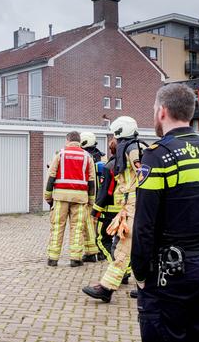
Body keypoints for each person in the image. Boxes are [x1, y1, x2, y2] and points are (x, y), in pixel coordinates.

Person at [132, 83, 199, 342]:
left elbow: (144, 226)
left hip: (169, 273)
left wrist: (140, 274)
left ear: (162, 111)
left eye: (154, 109)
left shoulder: (158, 156)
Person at [82, 116, 141, 302]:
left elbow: (143, 176)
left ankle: (107, 287)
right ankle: (144, 286)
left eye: (114, 135)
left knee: (123, 247)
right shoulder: (132, 148)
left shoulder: (132, 150)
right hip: (131, 207)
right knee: (140, 247)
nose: (113, 139)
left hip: (135, 206)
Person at [44, 131, 98, 267]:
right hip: (80, 199)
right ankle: (75, 258)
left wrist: (48, 197)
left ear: (68, 140)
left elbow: (51, 178)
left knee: (57, 227)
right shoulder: (87, 157)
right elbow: (92, 182)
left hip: (60, 198)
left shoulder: (60, 155)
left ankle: (53, 258)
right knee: (77, 228)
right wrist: (91, 200)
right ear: (79, 141)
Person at [91, 138, 120, 262]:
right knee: (122, 243)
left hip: (109, 212)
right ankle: (124, 269)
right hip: (127, 211)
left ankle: (118, 267)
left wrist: (95, 213)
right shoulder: (131, 166)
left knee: (102, 240)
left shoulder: (109, 167)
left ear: (111, 150)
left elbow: (104, 192)